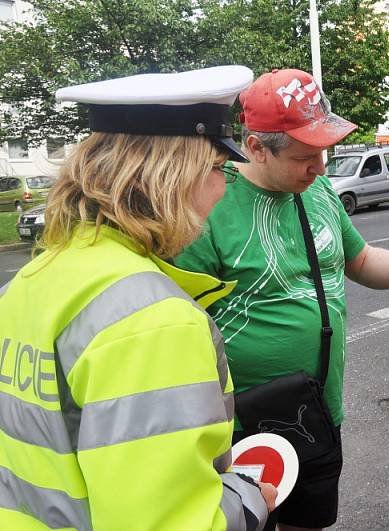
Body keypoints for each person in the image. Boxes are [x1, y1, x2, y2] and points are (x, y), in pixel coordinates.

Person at [174, 68, 389, 531]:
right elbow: (178, 324)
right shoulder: (210, 201)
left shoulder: (318, 192)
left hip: (316, 411)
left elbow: (360, 260)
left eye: (323, 152)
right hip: (236, 426)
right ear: (255, 147)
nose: (320, 166)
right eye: (303, 156)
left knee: (308, 522)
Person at [0, 67, 276, 530]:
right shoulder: (153, 321)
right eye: (218, 168)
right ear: (172, 175)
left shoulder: (31, 280)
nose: (224, 187)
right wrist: (248, 498)